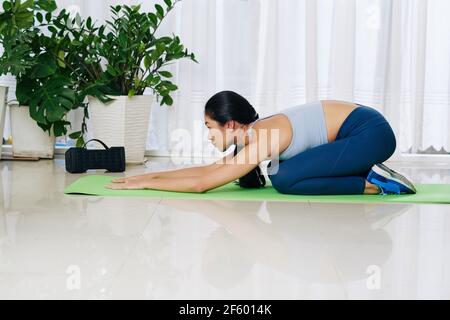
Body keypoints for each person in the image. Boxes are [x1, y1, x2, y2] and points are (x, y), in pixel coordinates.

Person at [106, 90, 416, 195]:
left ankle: (375, 182)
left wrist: (146, 185)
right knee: (283, 174)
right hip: (361, 134)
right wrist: (148, 176)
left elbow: (204, 184)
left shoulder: (263, 136)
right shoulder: (252, 135)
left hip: (371, 134)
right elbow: (208, 170)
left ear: (230, 125)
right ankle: (371, 174)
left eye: (210, 128)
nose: (209, 136)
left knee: (284, 178)